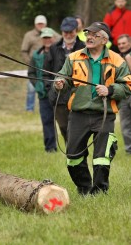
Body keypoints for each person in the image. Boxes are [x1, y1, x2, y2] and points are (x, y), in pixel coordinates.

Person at [54, 22, 131, 195]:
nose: (89, 37)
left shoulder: (117, 60)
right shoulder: (73, 57)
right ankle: (84, 187)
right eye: (88, 33)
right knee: (73, 157)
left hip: (104, 114)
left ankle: (99, 192)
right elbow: (63, 77)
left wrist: (110, 90)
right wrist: (60, 84)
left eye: (94, 35)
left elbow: (127, 86)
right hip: (78, 113)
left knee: (102, 157)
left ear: (104, 39)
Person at [43, 17, 85, 143]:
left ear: (76, 31)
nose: (68, 35)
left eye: (71, 32)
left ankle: (78, 151)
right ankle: (71, 152)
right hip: (59, 97)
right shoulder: (54, 48)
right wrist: (51, 90)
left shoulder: (84, 48)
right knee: (63, 127)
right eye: (65, 32)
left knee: (79, 128)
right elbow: (45, 73)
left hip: (79, 96)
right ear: (61, 32)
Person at [28, 27, 57, 152]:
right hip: (43, 94)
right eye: (45, 37)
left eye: (49, 37)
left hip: (59, 93)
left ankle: (70, 146)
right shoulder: (36, 55)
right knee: (47, 120)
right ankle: (50, 147)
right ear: (42, 39)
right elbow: (31, 73)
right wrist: (38, 85)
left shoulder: (59, 53)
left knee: (65, 122)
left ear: (53, 38)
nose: (47, 40)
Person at [21, 15, 47, 112]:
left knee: (48, 88)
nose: (40, 25)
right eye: (39, 24)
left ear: (45, 24)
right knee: (31, 89)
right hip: (34, 67)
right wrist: (30, 63)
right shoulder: (29, 35)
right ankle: (29, 109)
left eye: (42, 23)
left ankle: (46, 108)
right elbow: (24, 51)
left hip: (47, 67)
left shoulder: (50, 34)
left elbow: (60, 39)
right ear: (35, 24)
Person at [116, 34, 131, 155]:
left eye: (124, 43)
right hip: (124, 95)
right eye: (119, 44)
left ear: (129, 43)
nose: (121, 46)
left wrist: (128, 60)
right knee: (125, 123)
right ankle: (129, 150)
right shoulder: (117, 57)